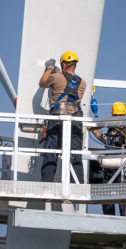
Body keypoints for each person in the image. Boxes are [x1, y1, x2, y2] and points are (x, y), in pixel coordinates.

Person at [39, 51, 87, 184]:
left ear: (64, 63)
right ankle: (77, 186)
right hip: (75, 124)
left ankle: (46, 185)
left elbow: (42, 83)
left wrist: (50, 68)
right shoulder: (83, 83)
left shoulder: (56, 77)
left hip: (57, 122)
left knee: (51, 153)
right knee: (76, 155)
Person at [93, 101, 126, 216]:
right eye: (116, 115)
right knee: (106, 200)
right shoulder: (110, 129)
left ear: (124, 115)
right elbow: (105, 141)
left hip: (121, 169)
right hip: (109, 168)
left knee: (122, 200)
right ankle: (108, 220)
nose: (118, 118)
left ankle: (125, 221)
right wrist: (93, 130)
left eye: (120, 116)